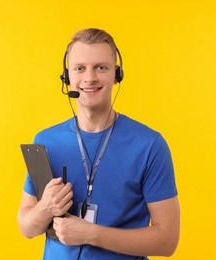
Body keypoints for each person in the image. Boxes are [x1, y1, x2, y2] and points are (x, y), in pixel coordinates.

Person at [18, 28, 180, 259]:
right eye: (79, 68)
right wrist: (45, 208)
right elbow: (27, 228)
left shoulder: (150, 145)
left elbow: (167, 242)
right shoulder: (44, 141)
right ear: (67, 77)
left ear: (116, 75)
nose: (89, 78)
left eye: (101, 68)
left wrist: (91, 234)